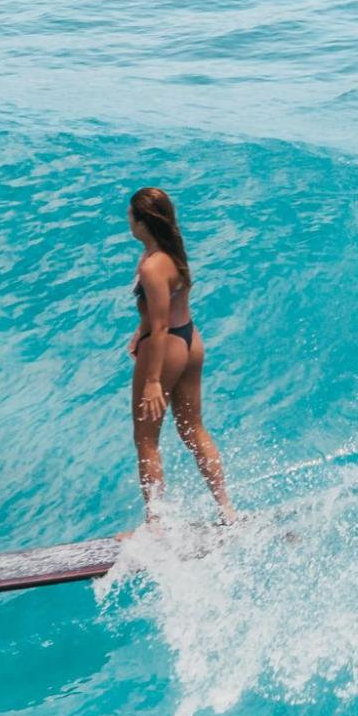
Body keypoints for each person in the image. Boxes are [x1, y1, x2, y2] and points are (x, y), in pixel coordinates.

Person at [125, 186, 234, 526]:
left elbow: (160, 326)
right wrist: (138, 332)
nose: (128, 222)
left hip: (167, 345)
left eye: (131, 216)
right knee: (192, 429)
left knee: (145, 440)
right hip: (189, 339)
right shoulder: (171, 254)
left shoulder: (152, 265)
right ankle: (226, 510)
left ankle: (155, 525)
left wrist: (154, 381)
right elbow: (163, 311)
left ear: (142, 222)